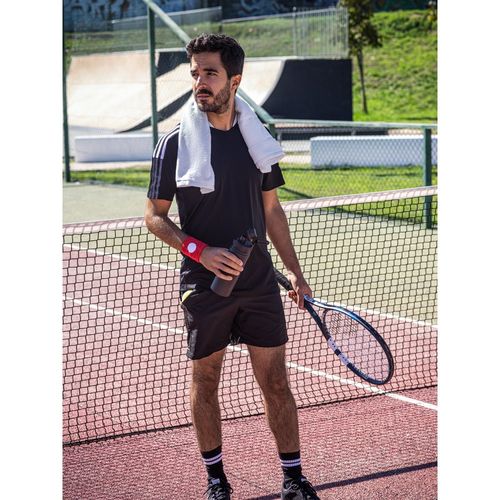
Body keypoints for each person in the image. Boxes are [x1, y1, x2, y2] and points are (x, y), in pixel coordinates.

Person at [145, 33, 320, 500]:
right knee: (206, 380)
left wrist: (295, 272)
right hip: (204, 285)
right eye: (195, 73)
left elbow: (272, 210)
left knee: (276, 381)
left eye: (210, 73)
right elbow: (154, 217)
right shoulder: (175, 143)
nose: (200, 82)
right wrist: (199, 251)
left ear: (234, 80)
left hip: (259, 282)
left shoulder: (257, 141)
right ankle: (216, 480)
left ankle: (293, 478)